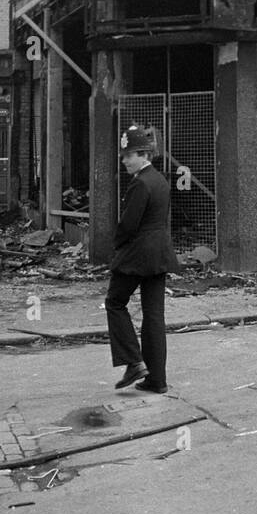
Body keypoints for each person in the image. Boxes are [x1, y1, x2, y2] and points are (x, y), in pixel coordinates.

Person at [104, 124, 180, 394]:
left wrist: (115, 246)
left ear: (143, 154)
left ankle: (134, 361)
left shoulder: (140, 184)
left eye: (128, 156)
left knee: (114, 302)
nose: (124, 161)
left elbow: (128, 225)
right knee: (154, 315)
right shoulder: (159, 180)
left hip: (137, 255)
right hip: (160, 254)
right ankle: (157, 380)